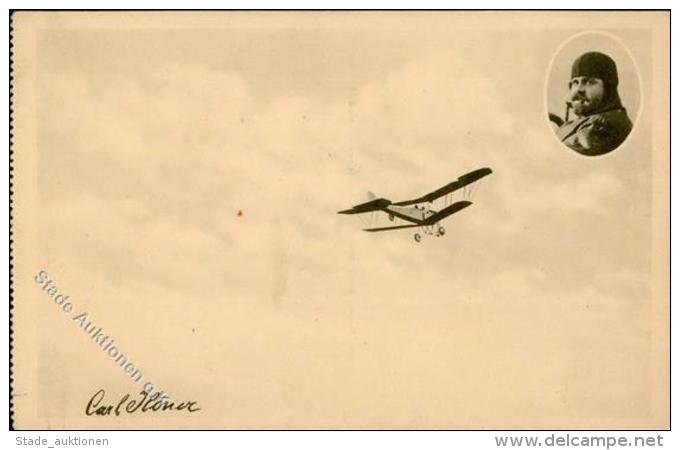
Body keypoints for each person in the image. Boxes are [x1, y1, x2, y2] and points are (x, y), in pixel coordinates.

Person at [554, 51, 633, 156]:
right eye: (575, 82)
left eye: (589, 82)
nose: (578, 89)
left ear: (608, 88)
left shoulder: (603, 128)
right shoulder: (587, 119)